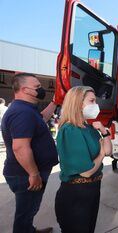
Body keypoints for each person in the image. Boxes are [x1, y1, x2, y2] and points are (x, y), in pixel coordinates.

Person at [1, 73, 58, 233]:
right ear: (25, 89)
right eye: (37, 87)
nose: (41, 90)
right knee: (25, 213)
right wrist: (33, 174)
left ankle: (29, 229)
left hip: (25, 173)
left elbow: (42, 118)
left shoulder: (25, 109)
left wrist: (54, 102)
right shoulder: (22, 113)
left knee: (28, 210)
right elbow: (20, 147)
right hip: (25, 175)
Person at [55, 86, 112, 233]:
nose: (96, 105)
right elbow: (86, 172)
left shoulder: (89, 128)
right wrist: (100, 154)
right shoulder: (70, 130)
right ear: (78, 103)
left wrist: (104, 132)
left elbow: (109, 151)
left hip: (92, 190)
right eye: (92, 101)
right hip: (76, 194)